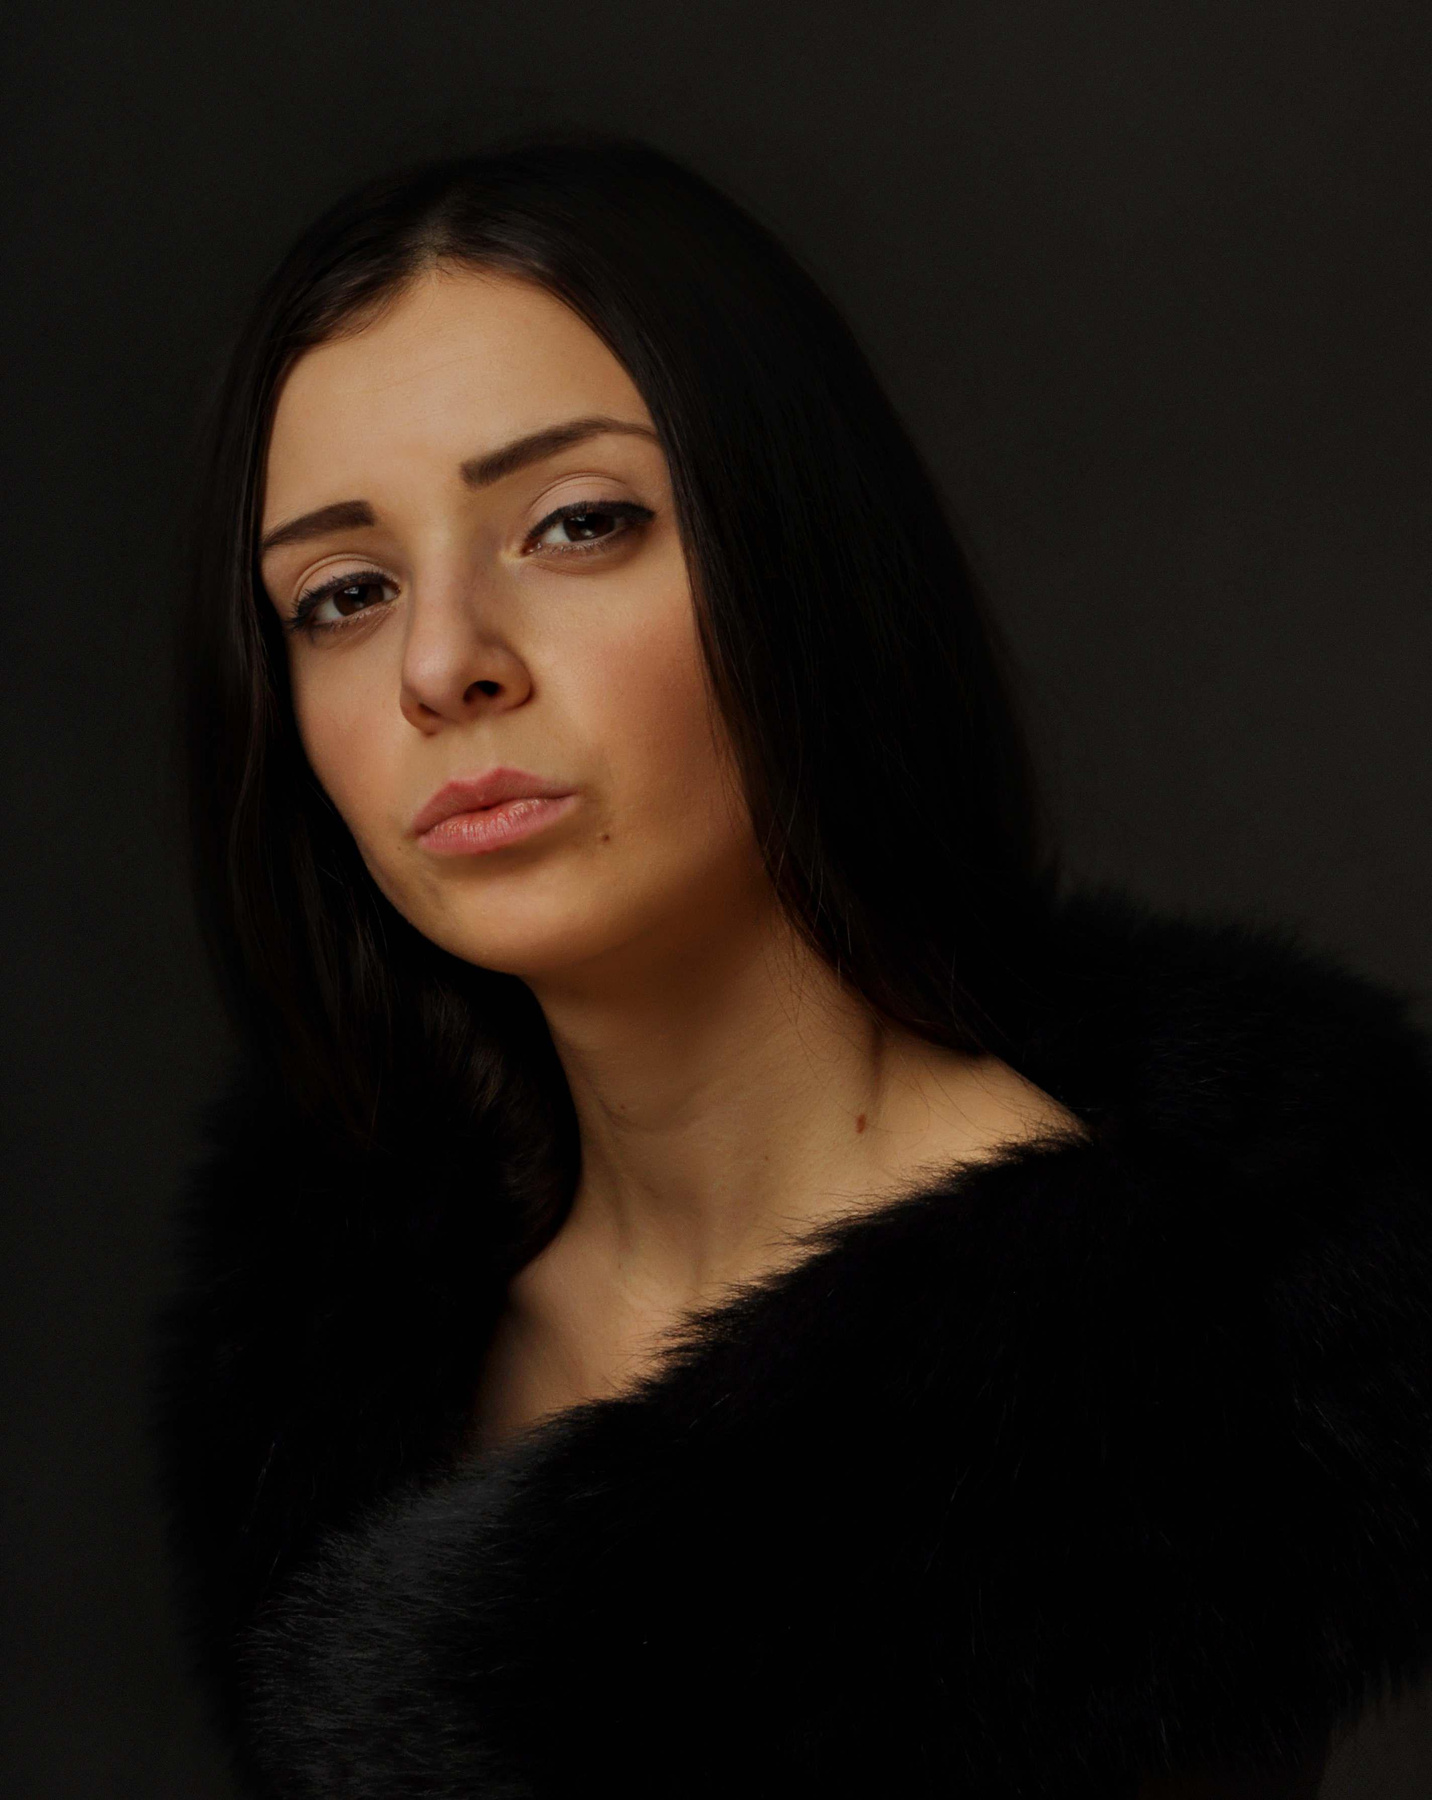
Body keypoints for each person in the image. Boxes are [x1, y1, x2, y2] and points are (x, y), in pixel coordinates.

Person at [154, 136, 1432, 1799]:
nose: (441, 661)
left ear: (799, 560)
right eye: (342, 594)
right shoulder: (330, 1363)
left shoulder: (1140, 1393)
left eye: (578, 523)